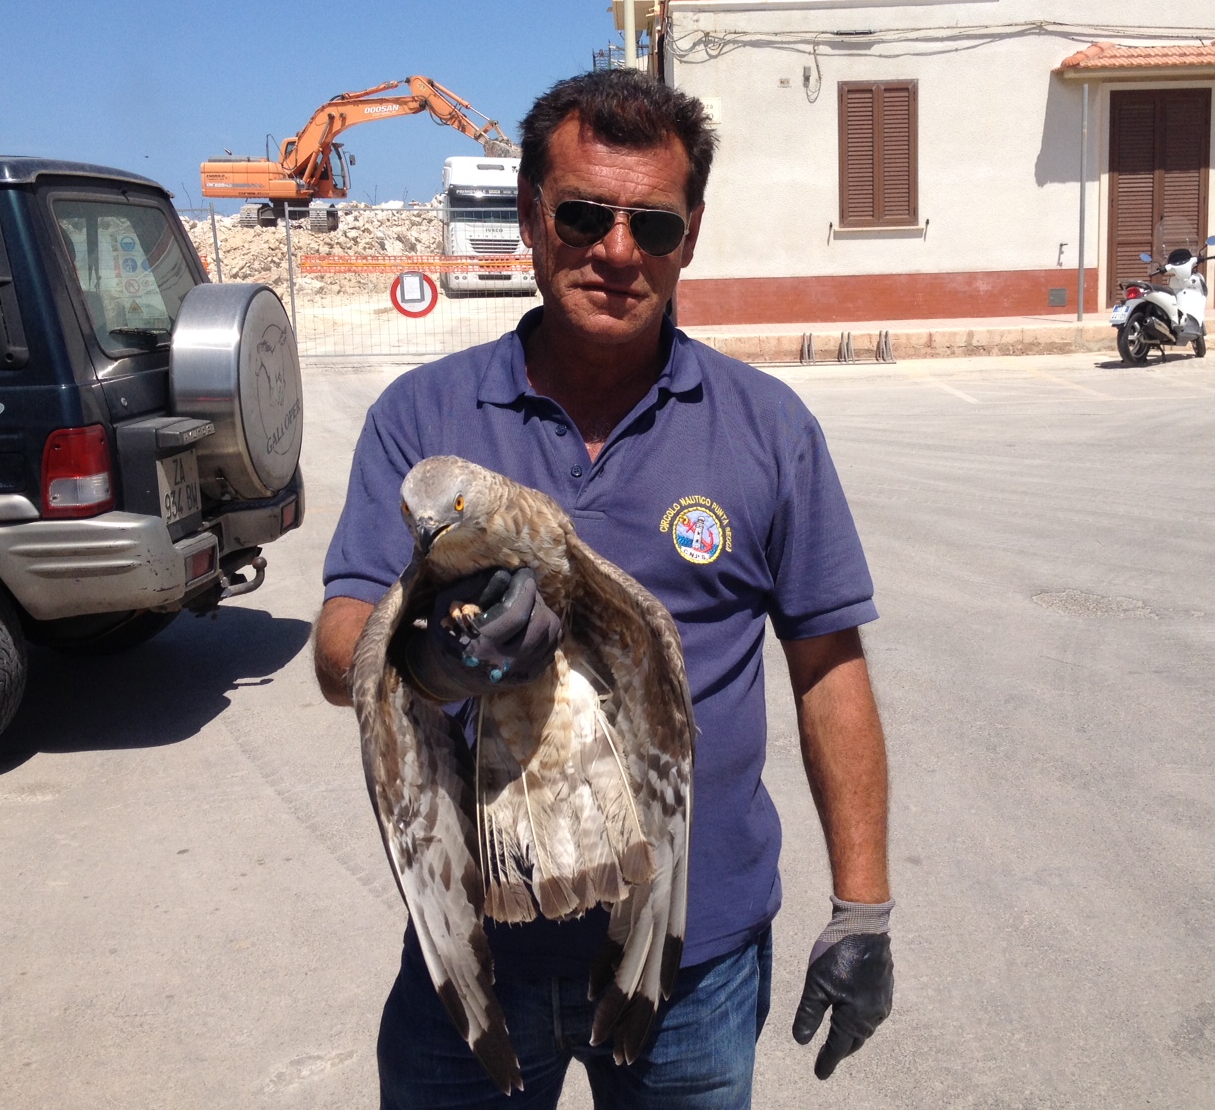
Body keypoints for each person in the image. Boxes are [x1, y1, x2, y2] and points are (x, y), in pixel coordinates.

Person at [313, 69, 893, 1110]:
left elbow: (829, 670)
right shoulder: (425, 419)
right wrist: (437, 656)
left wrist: (863, 912)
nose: (617, 251)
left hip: (696, 954)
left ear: (691, 235)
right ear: (535, 218)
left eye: (653, 226)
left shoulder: (765, 428)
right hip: (477, 948)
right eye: (583, 213)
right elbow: (339, 641)